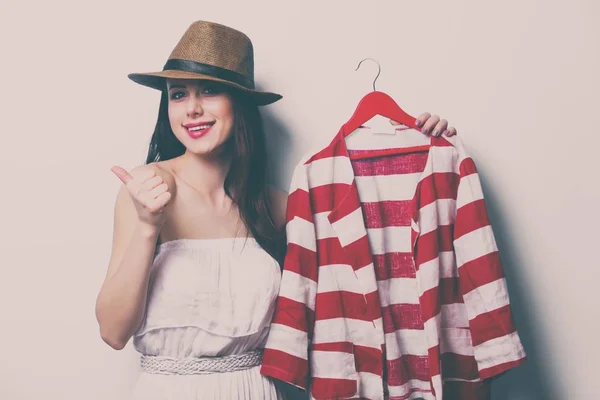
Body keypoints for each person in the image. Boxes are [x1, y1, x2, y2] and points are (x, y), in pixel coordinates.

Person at [94, 20, 460, 400]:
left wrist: (425, 146)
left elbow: (375, 252)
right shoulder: (148, 189)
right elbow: (113, 331)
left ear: (240, 103)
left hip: (256, 390)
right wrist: (146, 226)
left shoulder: (279, 206)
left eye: (209, 91)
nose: (193, 109)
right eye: (178, 94)